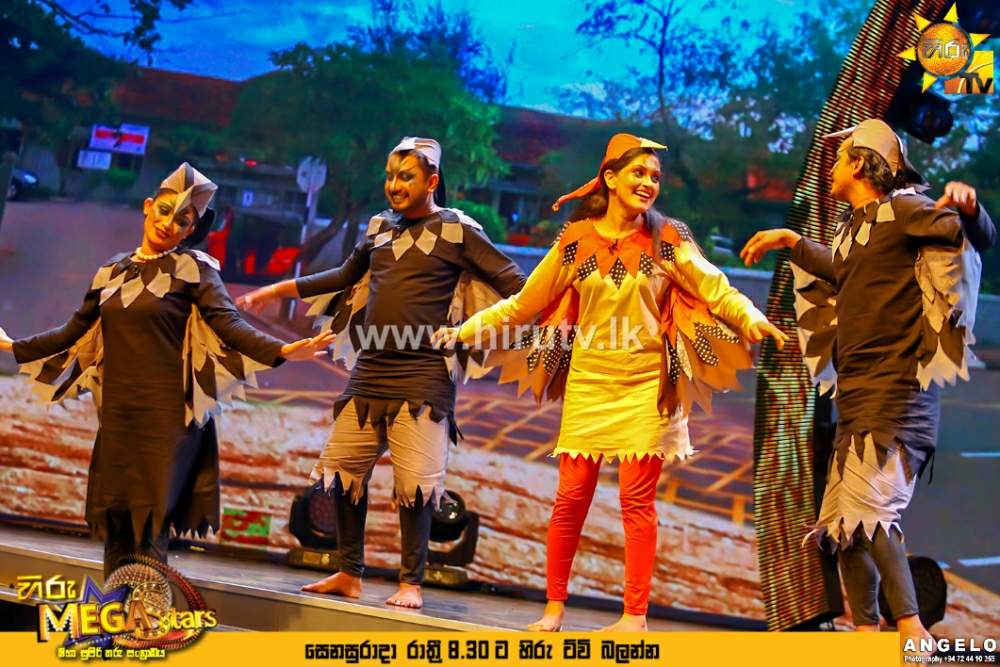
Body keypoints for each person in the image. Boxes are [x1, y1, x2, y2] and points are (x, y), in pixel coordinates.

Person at [432, 133, 786, 631]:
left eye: (655, 177)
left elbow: (716, 289)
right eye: (639, 173)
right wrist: (464, 331)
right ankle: (554, 607)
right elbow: (523, 305)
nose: (648, 183)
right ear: (611, 178)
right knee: (570, 498)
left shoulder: (667, 238)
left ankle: (634, 616)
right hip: (590, 384)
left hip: (647, 387)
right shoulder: (576, 241)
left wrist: (751, 318)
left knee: (637, 503)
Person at [0, 163, 333, 578]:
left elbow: (229, 324)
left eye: (182, 220)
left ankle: (146, 610)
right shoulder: (111, 272)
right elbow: (72, 331)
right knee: (118, 518)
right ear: (147, 207)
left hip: (167, 418)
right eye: (164, 210)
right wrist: (14, 346)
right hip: (119, 415)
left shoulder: (194, 269)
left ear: (190, 229)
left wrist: (283, 350)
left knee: (149, 519)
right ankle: (116, 607)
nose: (168, 224)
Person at [237, 137, 525, 609]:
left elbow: (515, 284)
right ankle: (349, 573)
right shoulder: (379, 230)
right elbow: (341, 277)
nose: (394, 185)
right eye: (390, 176)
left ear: (431, 181)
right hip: (370, 371)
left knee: (416, 487)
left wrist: (474, 329)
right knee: (342, 473)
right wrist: (275, 290)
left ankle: (411, 583)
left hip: (424, 375)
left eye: (406, 177)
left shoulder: (456, 230)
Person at [740, 119, 995, 646]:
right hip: (859, 399)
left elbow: (975, 237)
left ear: (859, 164)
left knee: (871, 515)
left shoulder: (905, 211)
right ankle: (864, 631)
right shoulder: (856, 227)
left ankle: (912, 630)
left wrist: (970, 209)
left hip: (897, 398)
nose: (832, 168)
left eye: (840, 159)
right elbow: (841, 269)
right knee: (842, 527)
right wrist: (792, 241)